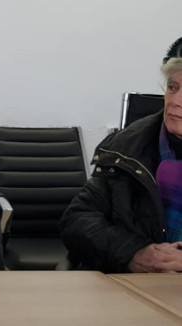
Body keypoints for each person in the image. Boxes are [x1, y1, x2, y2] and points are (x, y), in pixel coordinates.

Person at [60, 37, 182, 273]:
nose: (175, 101)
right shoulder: (126, 149)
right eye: (172, 87)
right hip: (135, 286)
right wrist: (134, 252)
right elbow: (78, 220)